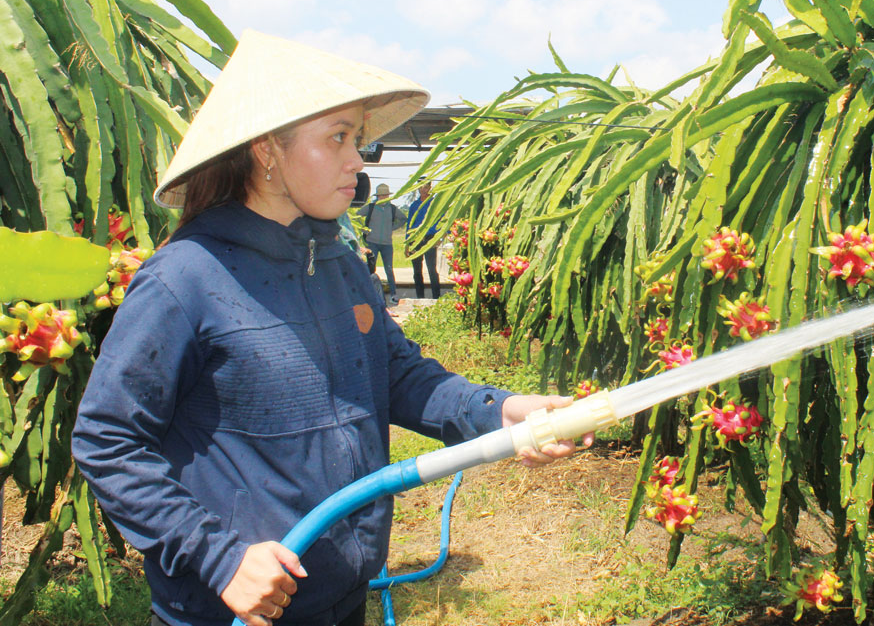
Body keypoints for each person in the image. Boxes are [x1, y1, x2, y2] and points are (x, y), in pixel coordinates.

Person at [71, 31, 587, 626]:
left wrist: (500, 410)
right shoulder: (185, 278)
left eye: (359, 139)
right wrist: (219, 558)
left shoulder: (338, 261)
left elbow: (396, 375)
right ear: (267, 152)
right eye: (339, 137)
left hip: (341, 598)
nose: (358, 160)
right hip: (234, 610)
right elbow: (106, 439)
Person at [357, 183, 405, 304]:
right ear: (377, 196)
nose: (383, 197)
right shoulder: (370, 207)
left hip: (387, 244)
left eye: (385, 195)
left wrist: (392, 228)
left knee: (389, 269)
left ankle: (393, 295)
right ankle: (367, 295)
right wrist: (364, 229)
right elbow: (356, 216)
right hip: (372, 243)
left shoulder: (393, 209)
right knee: (370, 270)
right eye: (381, 195)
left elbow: (403, 219)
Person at [405, 182, 440, 299]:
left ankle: (436, 297)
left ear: (430, 188)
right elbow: (409, 225)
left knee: (431, 269)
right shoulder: (414, 205)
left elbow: (443, 219)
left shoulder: (435, 203)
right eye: (421, 187)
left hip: (429, 238)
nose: (423, 190)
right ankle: (420, 296)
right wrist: (407, 244)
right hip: (415, 240)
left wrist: (440, 237)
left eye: (426, 187)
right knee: (417, 270)